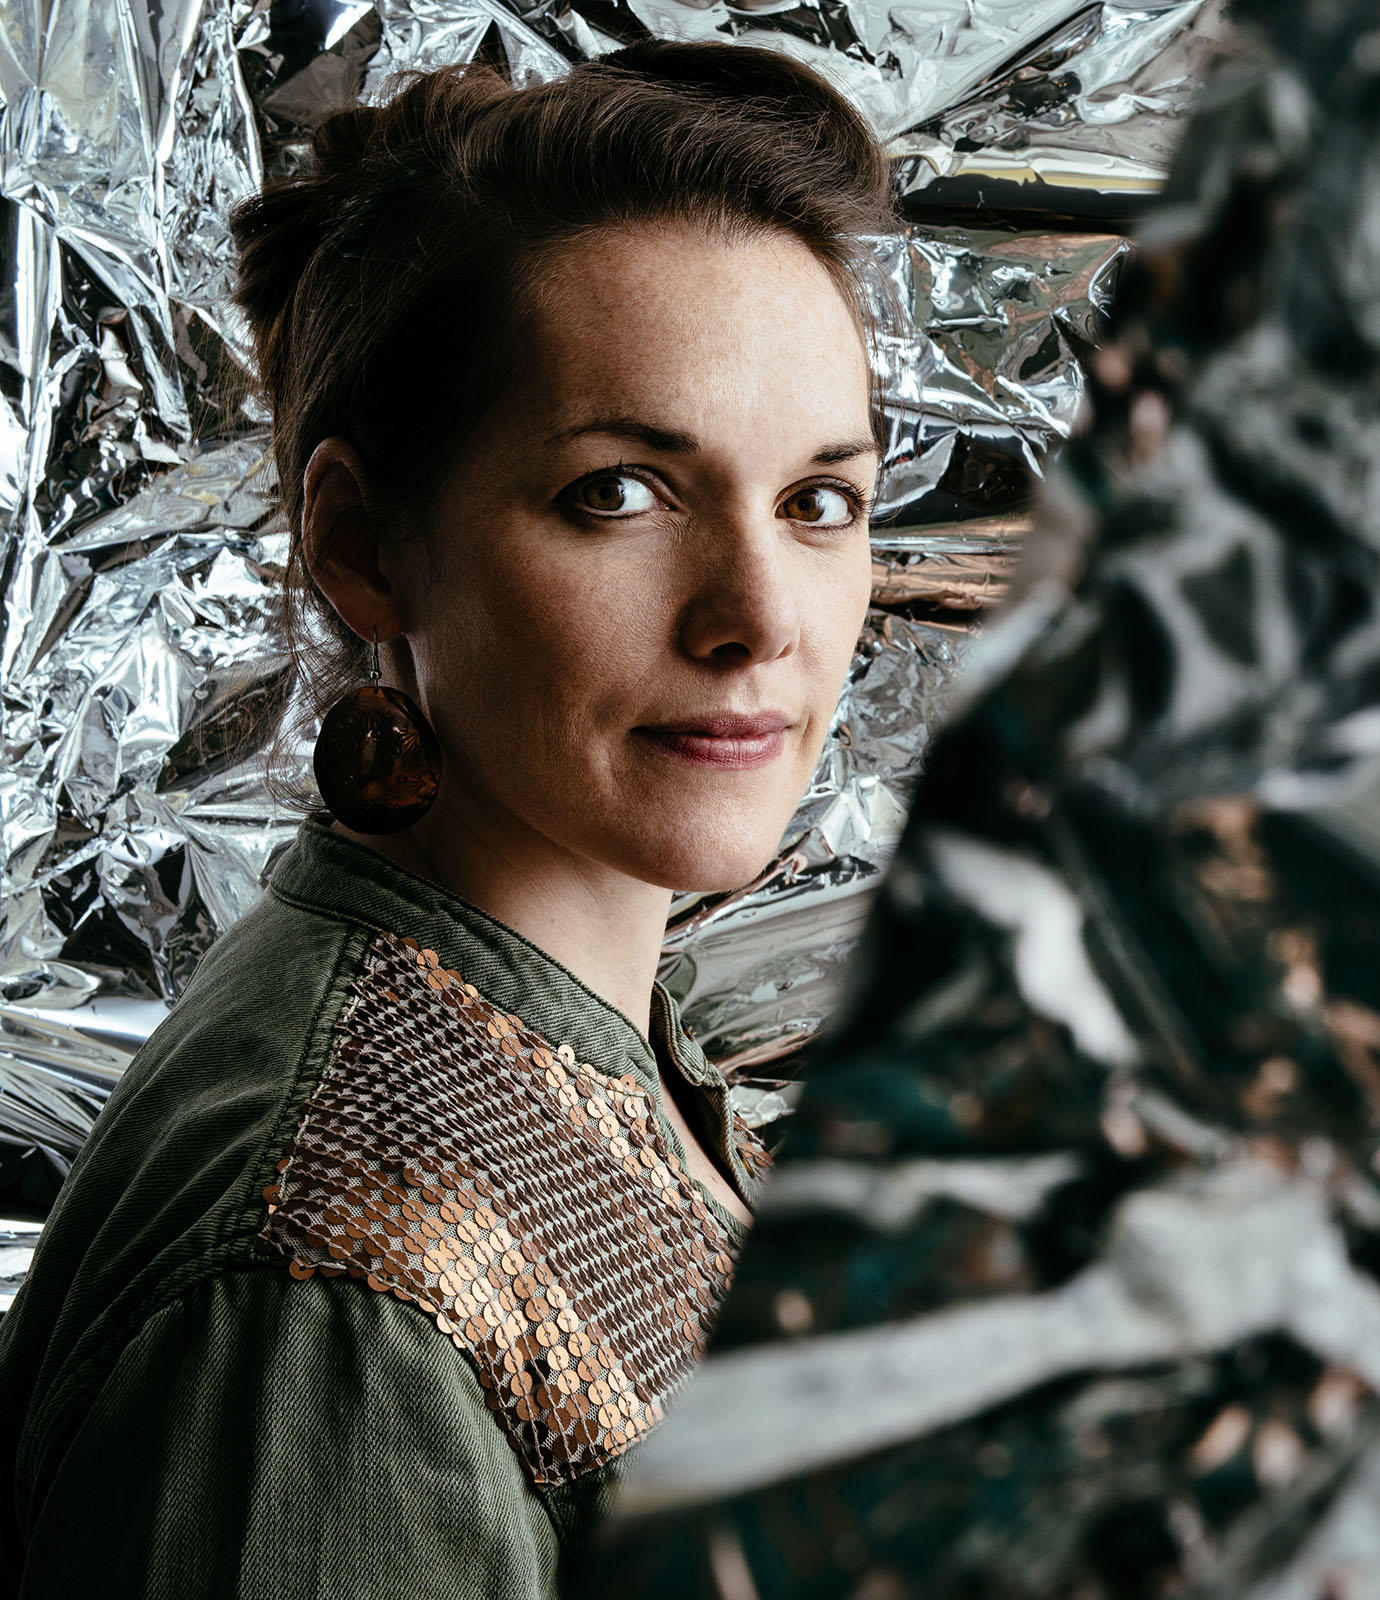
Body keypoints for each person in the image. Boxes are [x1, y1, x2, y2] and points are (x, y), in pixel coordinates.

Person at [0, 39, 901, 1597]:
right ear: (365, 548)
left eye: (819, 500)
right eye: (619, 492)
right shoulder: (329, 1273)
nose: (761, 617)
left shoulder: (577, 1036)